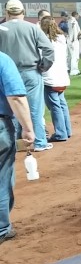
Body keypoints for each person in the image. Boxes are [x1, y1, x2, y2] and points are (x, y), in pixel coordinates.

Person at [0, 0, 54, 152]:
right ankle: (39, 142)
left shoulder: (1, 28)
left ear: (7, 12)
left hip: (6, 75)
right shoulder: (32, 28)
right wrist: (43, 66)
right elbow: (49, 49)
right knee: (35, 110)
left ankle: (17, 143)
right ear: (23, 12)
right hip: (31, 72)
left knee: (12, 109)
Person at [0, 51, 35, 245]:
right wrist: (28, 129)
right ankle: (1, 229)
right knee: (2, 177)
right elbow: (16, 98)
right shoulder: (2, 59)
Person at [39, 17, 71, 142]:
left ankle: (60, 133)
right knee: (62, 104)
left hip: (50, 77)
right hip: (62, 76)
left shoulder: (44, 40)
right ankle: (67, 130)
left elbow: (42, 58)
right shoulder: (62, 38)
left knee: (55, 106)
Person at [67, 11, 81, 75]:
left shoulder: (69, 20)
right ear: (76, 15)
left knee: (70, 56)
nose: (78, 17)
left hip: (70, 40)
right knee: (75, 56)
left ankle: (69, 69)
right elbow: (78, 32)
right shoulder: (74, 21)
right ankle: (74, 71)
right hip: (73, 41)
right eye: (78, 15)